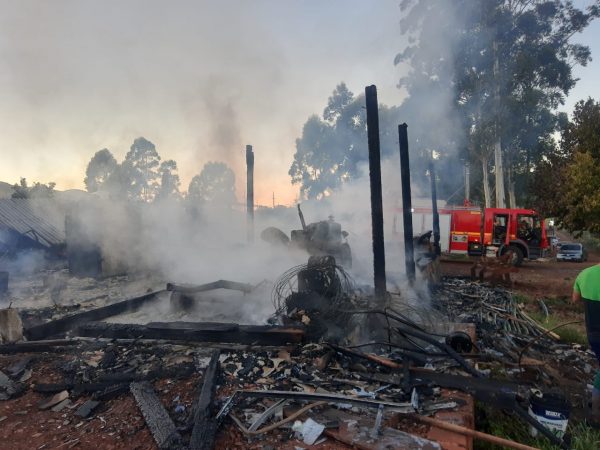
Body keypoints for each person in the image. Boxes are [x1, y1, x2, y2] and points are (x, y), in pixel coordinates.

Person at [572, 263, 600, 421]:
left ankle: (595, 410)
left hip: (593, 334)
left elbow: (575, 299)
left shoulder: (584, 274)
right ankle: (596, 413)